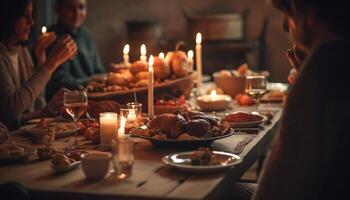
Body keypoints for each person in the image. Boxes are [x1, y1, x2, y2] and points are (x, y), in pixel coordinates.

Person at [252, 0, 349, 199]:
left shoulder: (328, 63)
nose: (286, 25)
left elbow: (278, 188)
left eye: (289, 15)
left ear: (309, 15)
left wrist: (304, 85)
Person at [0, 0, 77, 130]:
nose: (32, 22)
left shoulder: (21, 50)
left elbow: (35, 104)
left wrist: (41, 59)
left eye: (31, 15)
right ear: (9, 16)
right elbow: (11, 110)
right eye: (25, 15)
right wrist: (51, 64)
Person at [45, 0, 105, 101]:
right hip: (67, 103)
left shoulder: (86, 35)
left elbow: (99, 71)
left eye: (81, 7)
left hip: (92, 98)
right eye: (70, 8)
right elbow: (59, 81)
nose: (77, 13)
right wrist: (89, 81)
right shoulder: (51, 38)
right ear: (58, 9)